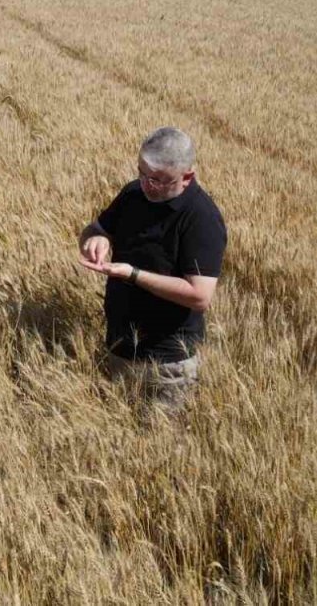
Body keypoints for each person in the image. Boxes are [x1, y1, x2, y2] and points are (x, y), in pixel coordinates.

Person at [78, 127, 227, 415]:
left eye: (158, 179)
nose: (147, 184)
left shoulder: (201, 218)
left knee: (157, 446)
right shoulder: (133, 193)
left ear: (187, 176)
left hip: (167, 364)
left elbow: (200, 296)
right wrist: (95, 239)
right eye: (142, 172)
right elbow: (96, 229)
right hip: (120, 347)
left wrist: (133, 274)